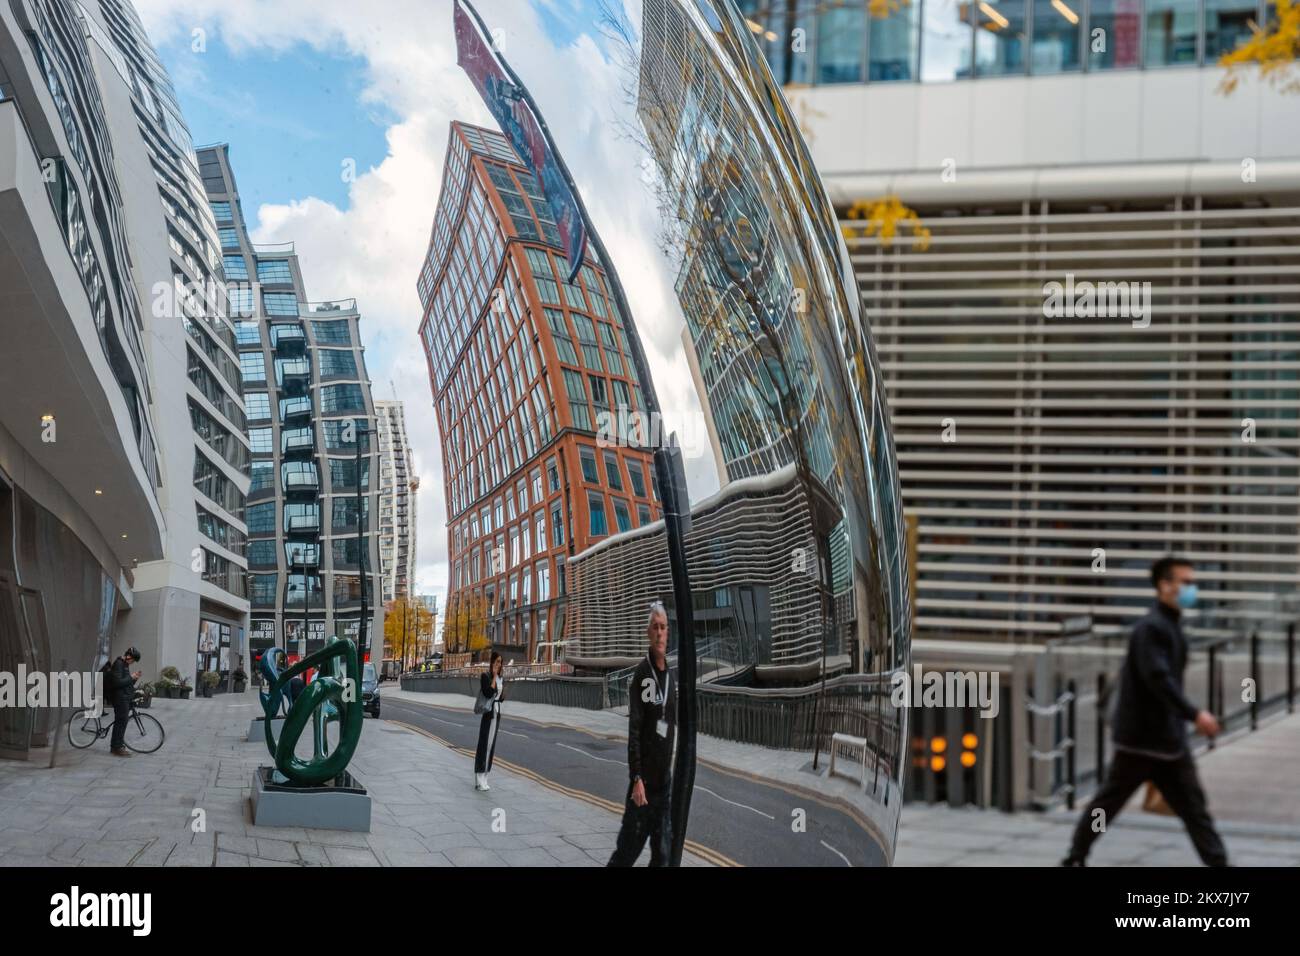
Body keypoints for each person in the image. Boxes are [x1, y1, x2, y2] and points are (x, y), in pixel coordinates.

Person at [1063, 556, 1228, 866]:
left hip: (1165, 741)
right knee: (1108, 805)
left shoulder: (1169, 625)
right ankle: (1075, 856)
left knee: (1194, 809)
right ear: (1164, 585)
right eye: (1186, 582)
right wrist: (1195, 714)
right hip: (1142, 740)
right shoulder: (1151, 629)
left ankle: (1219, 864)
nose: (1192, 589)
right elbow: (1158, 679)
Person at [609, 603, 677, 867]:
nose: (660, 633)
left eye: (663, 627)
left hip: (664, 786)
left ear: (668, 633)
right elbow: (635, 729)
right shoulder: (644, 675)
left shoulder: (670, 676)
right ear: (648, 633)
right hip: (644, 787)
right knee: (626, 855)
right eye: (655, 627)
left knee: (663, 858)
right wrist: (636, 777)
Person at [474, 651, 505, 791]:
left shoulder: (500, 678)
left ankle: (485, 775)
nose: (498, 664)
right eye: (496, 661)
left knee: (491, 745)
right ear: (492, 662)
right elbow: (488, 692)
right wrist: (494, 677)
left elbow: (500, 697)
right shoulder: (485, 676)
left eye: (500, 662)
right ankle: (479, 776)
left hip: (497, 713)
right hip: (488, 713)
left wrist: (502, 688)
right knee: (484, 743)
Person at [107, 647, 142, 758]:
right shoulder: (119, 664)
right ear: (128, 656)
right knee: (121, 722)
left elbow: (126, 682)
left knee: (122, 721)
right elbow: (117, 683)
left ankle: (118, 745)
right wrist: (131, 677)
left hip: (124, 697)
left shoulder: (124, 665)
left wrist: (134, 678)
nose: (132, 663)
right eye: (133, 660)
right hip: (119, 698)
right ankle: (116, 747)